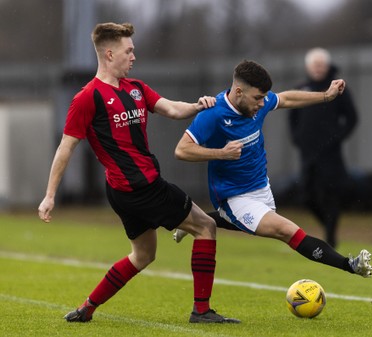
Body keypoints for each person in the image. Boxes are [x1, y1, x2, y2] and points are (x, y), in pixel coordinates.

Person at [37, 22, 240, 324]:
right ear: (109, 54)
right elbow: (66, 147)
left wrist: (198, 105)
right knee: (206, 227)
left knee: (143, 255)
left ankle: (87, 308)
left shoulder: (136, 89)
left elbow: (171, 109)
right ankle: (201, 311)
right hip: (142, 187)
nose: (134, 56)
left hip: (123, 190)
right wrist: (50, 195)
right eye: (128, 51)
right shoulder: (87, 97)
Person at [173, 60, 372, 280]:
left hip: (261, 187)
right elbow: (182, 150)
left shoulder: (257, 102)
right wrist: (221, 153)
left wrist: (326, 96)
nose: (262, 103)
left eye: (264, 98)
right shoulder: (213, 114)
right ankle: (351, 265)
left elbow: (286, 98)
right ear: (238, 91)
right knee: (287, 231)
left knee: (244, 224)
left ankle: (194, 222)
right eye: (258, 98)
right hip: (234, 196)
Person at [288, 48, 358, 248]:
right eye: (314, 65)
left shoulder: (338, 88)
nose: (318, 68)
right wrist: (297, 138)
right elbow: (292, 116)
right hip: (307, 153)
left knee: (331, 195)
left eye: (321, 65)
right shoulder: (302, 88)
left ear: (327, 66)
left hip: (330, 154)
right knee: (306, 196)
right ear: (308, 67)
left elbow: (352, 118)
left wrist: (336, 138)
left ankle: (331, 236)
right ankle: (328, 226)